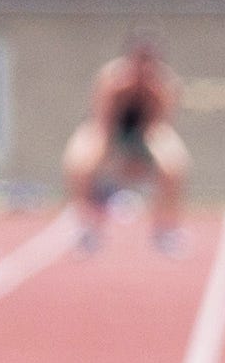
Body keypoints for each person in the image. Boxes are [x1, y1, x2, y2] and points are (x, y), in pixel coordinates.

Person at [63, 33, 188, 251]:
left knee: (175, 164)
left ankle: (166, 229)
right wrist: (111, 158)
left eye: (149, 62)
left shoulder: (164, 85)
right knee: (78, 161)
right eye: (139, 61)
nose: (143, 69)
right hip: (110, 128)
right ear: (129, 60)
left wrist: (140, 157)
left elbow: (159, 127)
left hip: (147, 130)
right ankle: (87, 227)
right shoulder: (111, 81)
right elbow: (103, 125)